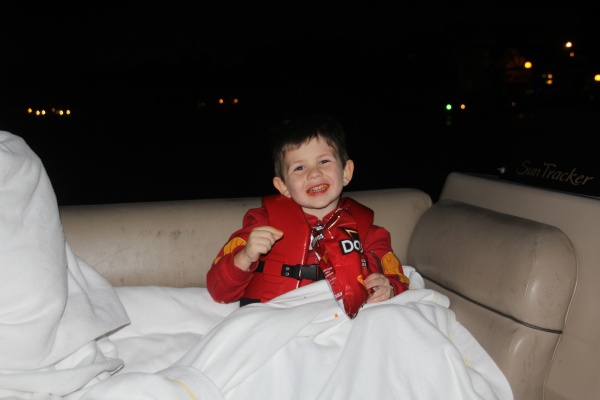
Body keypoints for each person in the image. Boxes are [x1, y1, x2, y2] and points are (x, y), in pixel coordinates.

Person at [207, 114, 409, 307]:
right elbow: (219, 291)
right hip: (277, 319)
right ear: (283, 185)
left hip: (343, 322)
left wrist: (389, 287)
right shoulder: (261, 224)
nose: (314, 173)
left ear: (346, 172)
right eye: (299, 168)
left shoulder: (370, 235)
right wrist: (246, 256)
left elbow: (397, 279)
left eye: (324, 161)